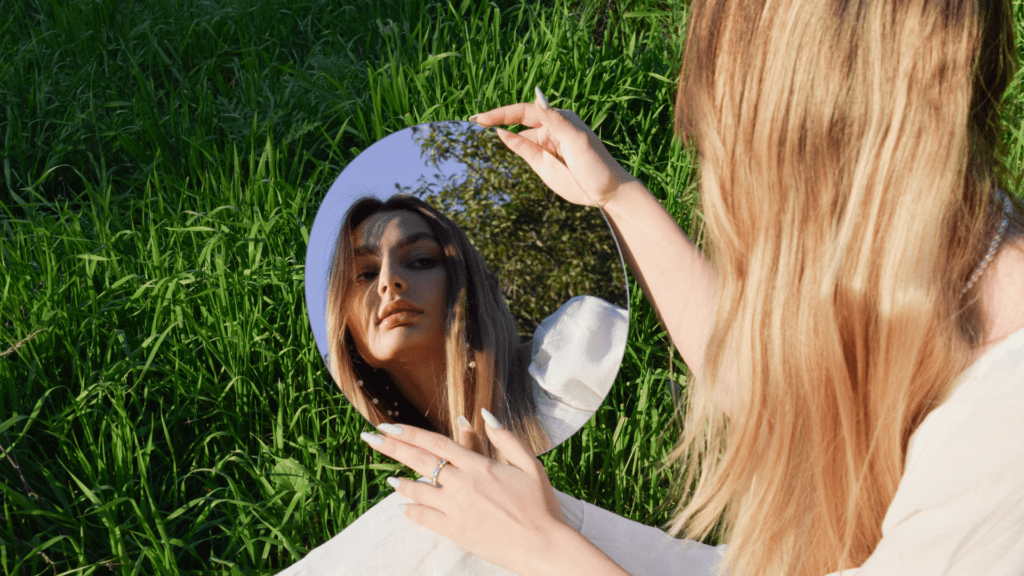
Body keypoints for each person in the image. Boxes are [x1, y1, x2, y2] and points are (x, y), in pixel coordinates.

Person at [358, 0, 1024, 575]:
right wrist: (616, 197)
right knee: (435, 531)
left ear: (818, 146)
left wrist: (543, 548)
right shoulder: (949, 242)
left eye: (729, 147)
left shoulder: (1007, 417)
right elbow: (776, 388)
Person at [323, 193, 628, 457]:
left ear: (465, 283)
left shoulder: (574, 355)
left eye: (420, 260)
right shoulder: (366, 465)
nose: (389, 281)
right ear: (343, 322)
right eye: (365, 274)